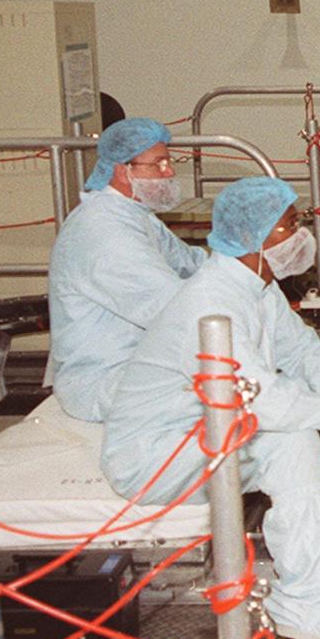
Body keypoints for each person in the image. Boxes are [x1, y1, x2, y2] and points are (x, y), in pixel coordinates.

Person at [102, 177, 320, 639]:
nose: (301, 236)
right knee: (288, 435)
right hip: (157, 455)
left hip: (205, 430)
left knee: (306, 406)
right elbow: (262, 401)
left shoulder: (255, 283)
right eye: (288, 226)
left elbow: (299, 347)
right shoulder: (211, 304)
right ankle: (304, 597)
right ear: (255, 239)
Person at [48, 117, 202, 423]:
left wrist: (242, 266)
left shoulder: (133, 214)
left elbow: (189, 262)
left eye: (169, 161)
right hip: (102, 380)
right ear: (123, 170)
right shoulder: (103, 232)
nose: (168, 172)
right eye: (157, 164)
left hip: (139, 363)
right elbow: (173, 308)